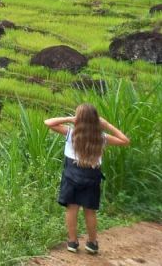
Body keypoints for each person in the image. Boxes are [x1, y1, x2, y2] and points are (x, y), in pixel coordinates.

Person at [44, 103, 130, 254]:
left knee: (72, 209)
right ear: (96, 120)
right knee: (90, 212)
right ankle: (92, 243)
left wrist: (71, 118)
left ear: (79, 119)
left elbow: (48, 123)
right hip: (91, 177)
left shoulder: (71, 133)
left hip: (71, 176)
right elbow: (125, 140)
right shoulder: (102, 138)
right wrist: (107, 124)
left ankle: (72, 242)